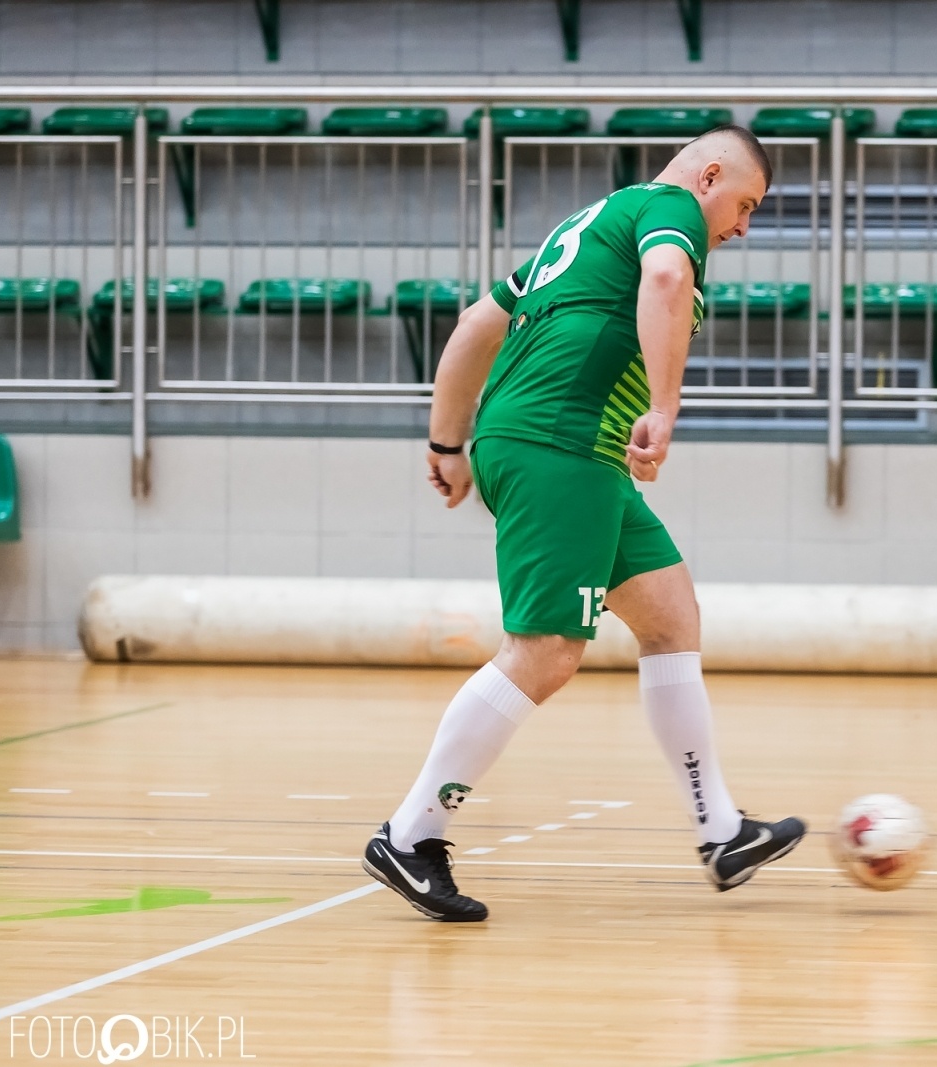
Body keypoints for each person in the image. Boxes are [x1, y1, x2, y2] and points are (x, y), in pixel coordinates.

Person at [362, 126, 806, 922]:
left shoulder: (591, 223)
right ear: (710, 176)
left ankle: (722, 830)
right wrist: (664, 410)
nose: (742, 227)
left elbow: (473, 325)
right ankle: (411, 831)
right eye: (744, 205)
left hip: (558, 445)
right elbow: (668, 280)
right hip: (559, 443)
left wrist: (447, 441)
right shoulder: (669, 213)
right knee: (547, 651)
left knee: (672, 617)